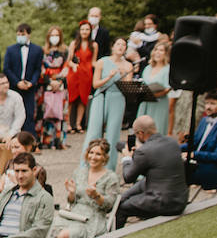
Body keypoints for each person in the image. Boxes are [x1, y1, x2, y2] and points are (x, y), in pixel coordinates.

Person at [116, 115, 187, 228]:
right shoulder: (172, 142)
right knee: (123, 197)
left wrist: (127, 158)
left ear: (140, 133)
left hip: (163, 203)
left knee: (122, 207)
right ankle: (119, 200)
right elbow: (157, 166)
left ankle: (115, 236)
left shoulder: (144, 151)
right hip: (180, 198)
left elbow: (128, 177)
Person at [50, 140, 120, 238]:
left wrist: (97, 196)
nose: (93, 157)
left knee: (63, 236)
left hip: (93, 218)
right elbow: (71, 201)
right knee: (48, 229)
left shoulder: (111, 178)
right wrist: (72, 193)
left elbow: (109, 205)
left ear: (104, 157)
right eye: (91, 153)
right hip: (73, 214)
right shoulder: (80, 172)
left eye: (98, 154)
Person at [86, 37, 134, 170]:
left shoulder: (128, 65)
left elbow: (128, 89)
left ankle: (109, 167)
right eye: (118, 44)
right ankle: (86, 166)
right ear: (113, 47)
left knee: (113, 133)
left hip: (118, 97)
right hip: (101, 95)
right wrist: (109, 77)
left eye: (123, 45)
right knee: (94, 131)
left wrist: (124, 76)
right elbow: (95, 84)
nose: (121, 47)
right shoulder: (102, 62)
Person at [183, 90, 217, 192]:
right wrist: (173, 147)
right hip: (199, 163)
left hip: (215, 170)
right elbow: (194, 143)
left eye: (212, 104)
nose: (208, 107)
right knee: (170, 164)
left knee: (175, 171)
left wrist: (193, 155)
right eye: (207, 103)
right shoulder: (205, 120)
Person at [3, 23, 44, 135]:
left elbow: (38, 69)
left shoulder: (37, 50)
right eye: (18, 34)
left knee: (29, 113)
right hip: (14, 86)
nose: (20, 36)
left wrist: (31, 82)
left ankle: (29, 140)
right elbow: (6, 69)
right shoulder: (11, 49)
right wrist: (17, 82)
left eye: (23, 34)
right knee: (12, 113)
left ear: (28, 34)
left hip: (29, 87)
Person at [67, 20, 97, 137]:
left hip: (86, 73)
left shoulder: (94, 45)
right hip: (74, 72)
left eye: (87, 29)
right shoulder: (74, 43)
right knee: (71, 98)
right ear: (79, 31)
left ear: (90, 31)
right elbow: (68, 60)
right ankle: (69, 123)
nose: (85, 32)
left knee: (82, 99)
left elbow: (93, 61)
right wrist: (73, 65)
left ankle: (78, 123)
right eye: (83, 29)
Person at [137, 41, 173, 136]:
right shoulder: (148, 68)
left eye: (161, 50)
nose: (157, 52)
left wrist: (152, 95)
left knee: (157, 130)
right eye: (156, 49)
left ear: (166, 53)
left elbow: (167, 89)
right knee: (142, 130)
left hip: (159, 103)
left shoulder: (168, 69)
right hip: (145, 103)